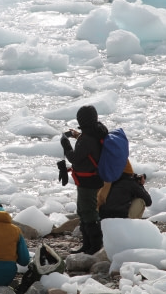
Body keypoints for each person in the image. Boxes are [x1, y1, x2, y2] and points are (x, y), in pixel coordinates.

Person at [60, 105, 107, 255]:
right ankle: (87, 245)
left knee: (88, 212)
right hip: (93, 178)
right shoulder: (96, 131)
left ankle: (94, 246)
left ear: (81, 119)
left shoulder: (86, 139)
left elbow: (74, 158)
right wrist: (76, 135)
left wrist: (65, 144)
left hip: (88, 181)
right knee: (83, 210)